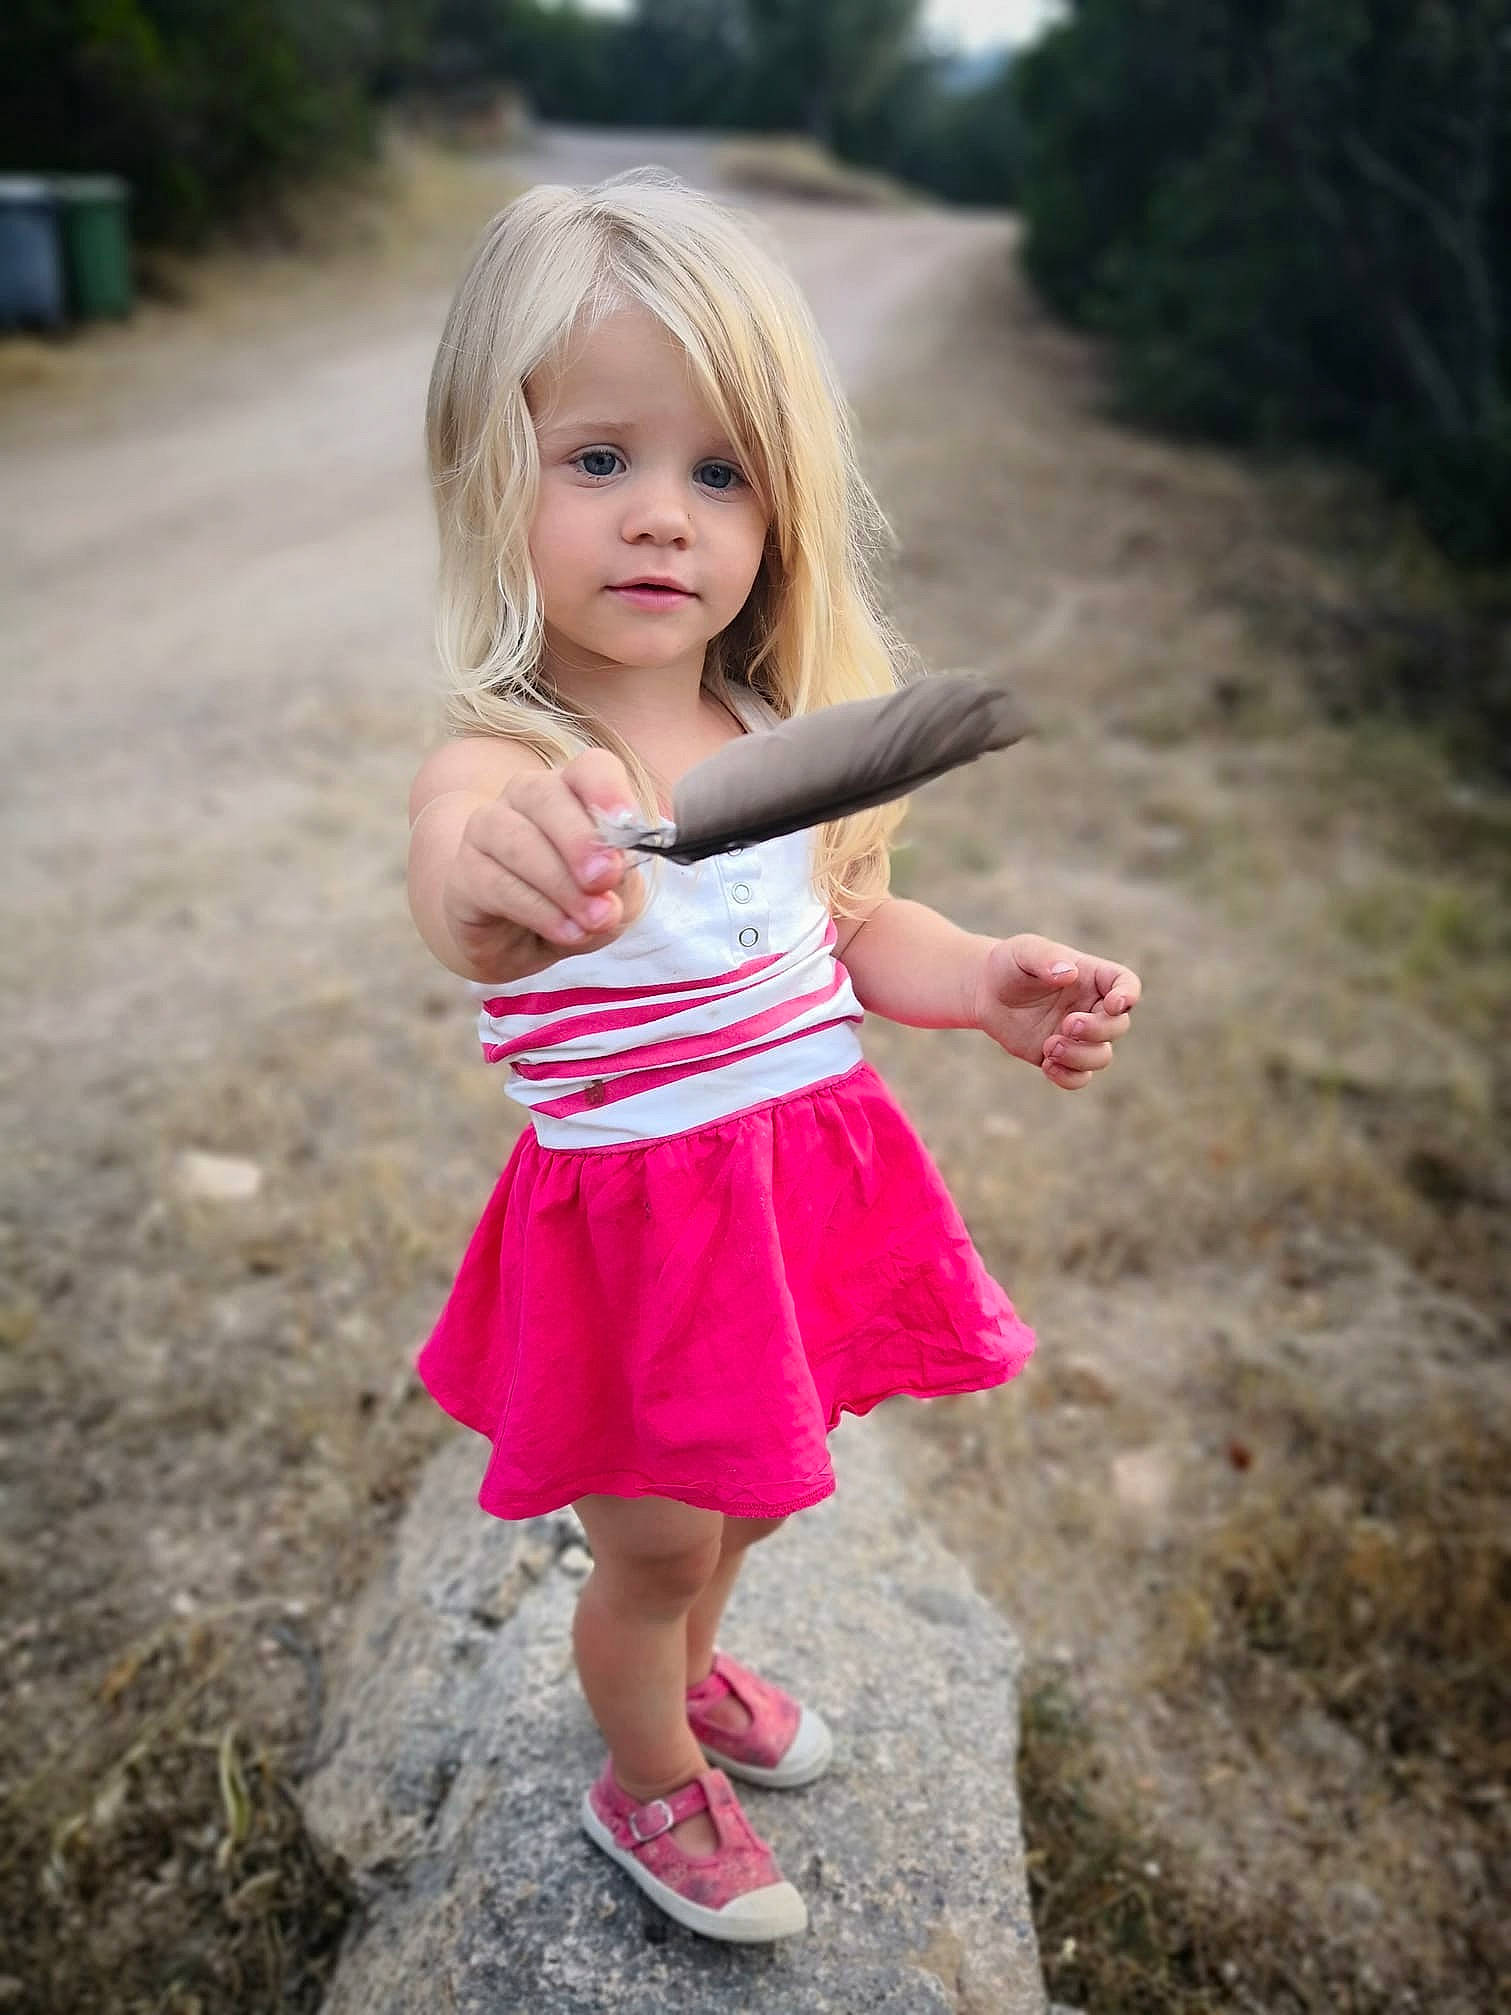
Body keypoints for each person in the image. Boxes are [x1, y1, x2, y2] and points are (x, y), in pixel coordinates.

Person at [406, 169, 1141, 1945]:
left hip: (795, 1198)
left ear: (778, 503)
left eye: (716, 472)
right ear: (485, 474)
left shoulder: (764, 731)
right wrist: (505, 883)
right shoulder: (512, 760)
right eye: (599, 461)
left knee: (749, 1503)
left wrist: (985, 980)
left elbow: (850, 921)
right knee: (652, 1542)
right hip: (647, 1242)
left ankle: (694, 1668)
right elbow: (457, 890)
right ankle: (644, 1771)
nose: (662, 518)